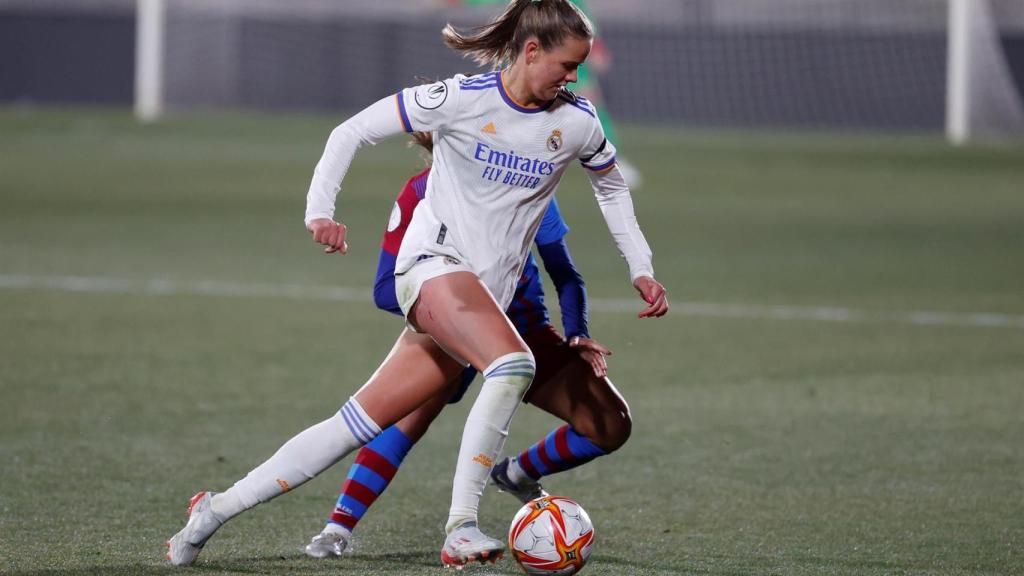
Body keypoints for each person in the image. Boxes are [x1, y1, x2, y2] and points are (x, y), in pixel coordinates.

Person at [166, 0, 667, 568]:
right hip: (431, 265)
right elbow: (351, 130)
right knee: (511, 365)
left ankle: (213, 509)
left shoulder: (574, 122)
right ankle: (461, 526)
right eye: (566, 65)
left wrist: (640, 267)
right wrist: (319, 211)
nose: (573, 78)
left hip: (489, 301)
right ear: (531, 51)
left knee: (351, 427)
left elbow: (611, 188)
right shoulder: (458, 99)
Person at [303, 135, 630, 560]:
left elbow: (565, 274)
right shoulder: (419, 192)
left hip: (525, 331)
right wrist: (454, 305)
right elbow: (386, 290)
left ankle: (516, 473)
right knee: (400, 422)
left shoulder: (531, 187)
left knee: (611, 423)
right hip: (451, 333)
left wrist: (577, 331)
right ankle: (337, 527)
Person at [450, 0, 643, 186]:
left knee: (587, 99)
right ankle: (480, 151)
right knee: (511, 103)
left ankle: (610, 161)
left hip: (560, 47)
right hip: (530, 51)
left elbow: (582, 15)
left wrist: (597, 47)